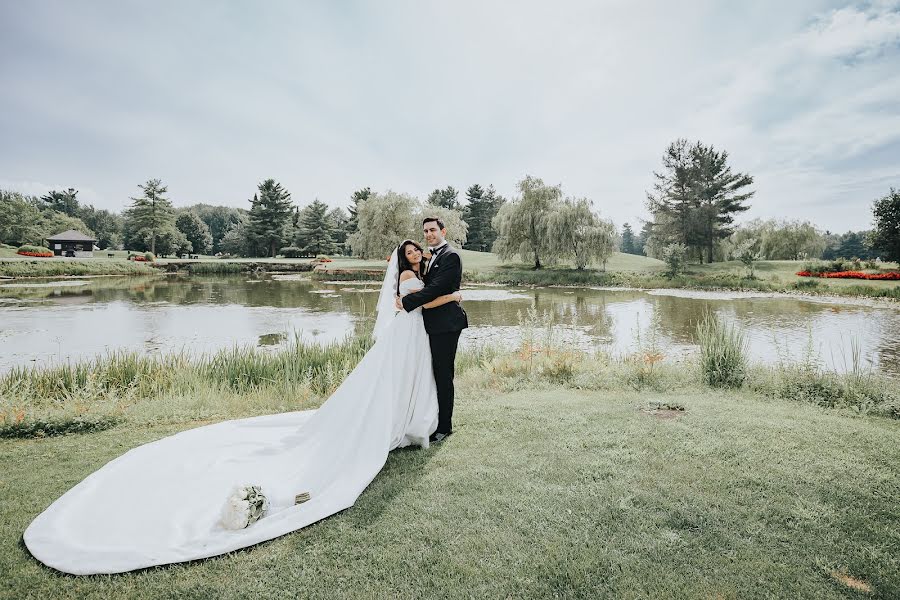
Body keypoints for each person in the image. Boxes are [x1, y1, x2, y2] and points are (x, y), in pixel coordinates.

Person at [24, 240, 461, 575]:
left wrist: (447, 298)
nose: (415, 252)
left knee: (421, 382)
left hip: (418, 339)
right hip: (407, 338)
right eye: (410, 250)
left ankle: (414, 420)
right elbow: (409, 302)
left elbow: (433, 294)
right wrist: (446, 298)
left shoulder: (434, 265)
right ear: (403, 260)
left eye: (418, 248)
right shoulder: (407, 277)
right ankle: (402, 422)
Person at [397, 217, 468, 443]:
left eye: (433, 230)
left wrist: (406, 302)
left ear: (443, 231)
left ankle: (445, 426)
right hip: (431, 324)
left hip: (447, 324)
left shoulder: (451, 256)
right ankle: (430, 418)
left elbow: (435, 289)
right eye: (425, 231)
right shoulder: (428, 258)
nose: (428, 234)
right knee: (432, 373)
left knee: (443, 374)